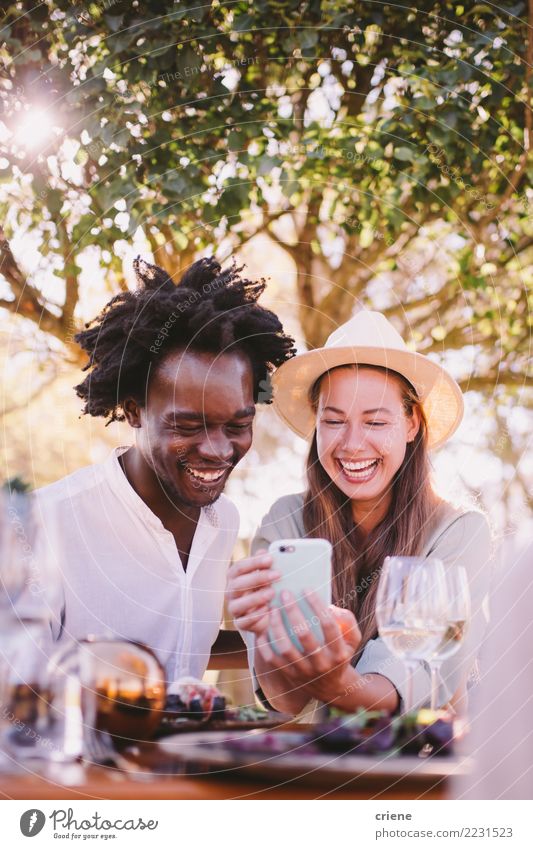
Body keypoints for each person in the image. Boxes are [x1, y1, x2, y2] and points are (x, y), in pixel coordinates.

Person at [36, 256, 295, 685]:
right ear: (135, 412)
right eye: (188, 426)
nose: (217, 450)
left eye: (238, 425)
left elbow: (185, 640)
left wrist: (284, 639)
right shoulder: (46, 524)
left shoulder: (222, 520)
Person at [227, 310, 493, 718]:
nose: (352, 444)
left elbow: (408, 687)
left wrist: (334, 681)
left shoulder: (460, 532)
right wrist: (264, 639)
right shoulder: (287, 521)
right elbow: (287, 700)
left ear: (411, 424)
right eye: (333, 421)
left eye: (375, 421)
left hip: (433, 765)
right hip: (330, 767)